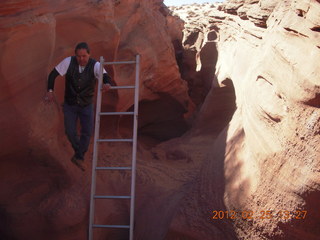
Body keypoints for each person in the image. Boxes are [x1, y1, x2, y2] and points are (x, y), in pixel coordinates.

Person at [44, 42, 112, 171]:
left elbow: (105, 77)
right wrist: (50, 91)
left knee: (87, 132)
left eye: (84, 56)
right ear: (75, 55)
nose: (81, 59)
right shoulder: (68, 62)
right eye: (79, 56)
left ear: (89, 54)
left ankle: (79, 157)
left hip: (86, 105)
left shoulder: (95, 65)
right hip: (70, 104)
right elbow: (53, 74)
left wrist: (106, 84)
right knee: (70, 131)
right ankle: (79, 155)